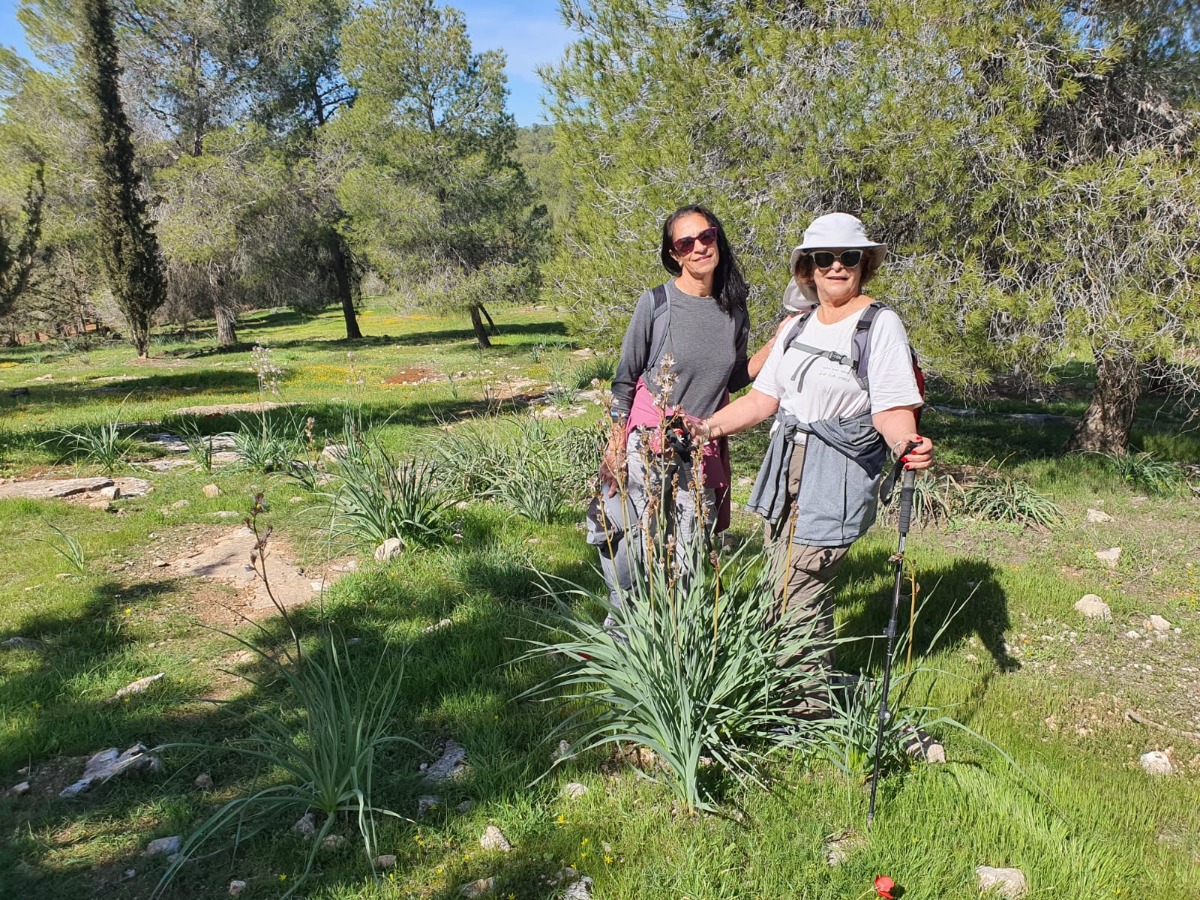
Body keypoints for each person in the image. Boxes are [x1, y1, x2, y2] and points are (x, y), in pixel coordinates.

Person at [688, 212, 934, 716]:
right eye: (826, 258)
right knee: (784, 577)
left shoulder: (879, 324)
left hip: (835, 472)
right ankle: (797, 690)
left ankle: (803, 707)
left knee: (799, 582)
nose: (837, 267)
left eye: (849, 258)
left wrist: (909, 442)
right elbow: (762, 400)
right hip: (786, 469)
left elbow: (891, 408)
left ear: (864, 265)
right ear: (808, 269)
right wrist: (703, 428)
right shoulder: (798, 326)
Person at [591, 205, 775, 610]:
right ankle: (625, 631)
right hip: (648, 442)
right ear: (674, 253)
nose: (699, 248)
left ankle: (681, 638)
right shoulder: (657, 304)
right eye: (685, 243)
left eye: (706, 237)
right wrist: (616, 444)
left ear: (718, 239)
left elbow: (731, 378)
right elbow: (626, 377)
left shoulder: (734, 308)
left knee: (691, 550)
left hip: (701, 445)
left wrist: (777, 343)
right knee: (635, 545)